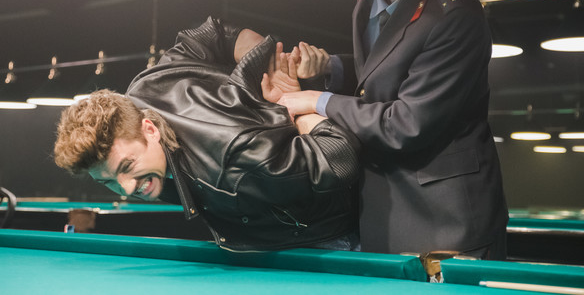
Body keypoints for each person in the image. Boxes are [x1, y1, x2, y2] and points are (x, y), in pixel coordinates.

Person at [274, 0, 508, 258]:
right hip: (385, 211)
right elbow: (382, 72)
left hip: (448, 223)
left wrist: (317, 100)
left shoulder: (456, 17)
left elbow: (406, 124)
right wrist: (329, 69)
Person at [54, 16, 361, 252]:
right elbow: (209, 33)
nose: (125, 188)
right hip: (255, 220)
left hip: (317, 242)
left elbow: (340, 157)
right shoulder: (146, 88)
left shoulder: (235, 167)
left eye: (127, 166)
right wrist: (257, 53)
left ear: (150, 129)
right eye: (107, 181)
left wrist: (296, 103)